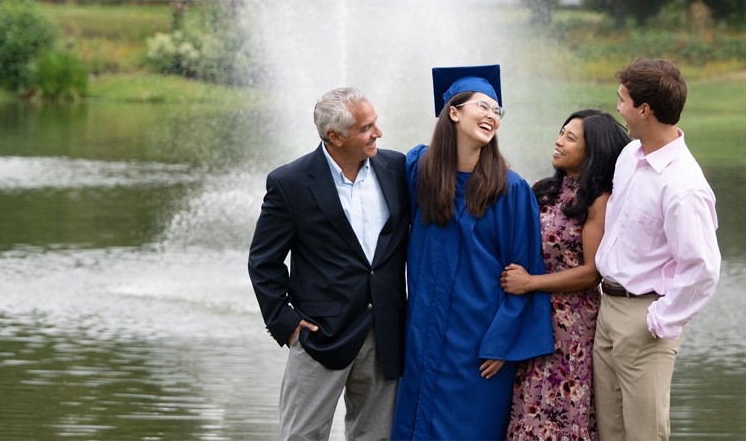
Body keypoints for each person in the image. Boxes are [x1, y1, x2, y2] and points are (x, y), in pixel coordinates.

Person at [393, 65, 554, 440]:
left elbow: (525, 270)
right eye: (483, 106)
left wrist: (503, 343)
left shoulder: (511, 190)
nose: (492, 116)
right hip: (424, 333)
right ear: (453, 111)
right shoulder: (421, 169)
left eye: (497, 111)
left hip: (479, 344)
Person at [248, 87, 412, 440]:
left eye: (375, 123)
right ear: (334, 137)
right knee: (302, 435)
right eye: (367, 127)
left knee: (376, 437)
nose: (378, 133)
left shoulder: (398, 168)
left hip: (386, 331)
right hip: (318, 335)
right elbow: (264, 261)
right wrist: (285, 322)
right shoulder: (289, 183)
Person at [594, 58, 722, 441]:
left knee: (646, 434)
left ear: (644, 110)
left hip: (645, 319)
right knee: (610, 432)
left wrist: (659, 321)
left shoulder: (683, 185)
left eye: (623, 100)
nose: (618, 108)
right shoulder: (628, 156)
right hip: (608, 309)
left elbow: (702, 268)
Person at [500, 109, 632, 439]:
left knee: (563, 414)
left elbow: (591, 273)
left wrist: (530, 283)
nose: (558, 141)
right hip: (534, 318)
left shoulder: (599, 200)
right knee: (530, 408)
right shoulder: (543, 190)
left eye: (570, 138)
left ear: (593, 151)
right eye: (561, 133)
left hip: (571, 326)